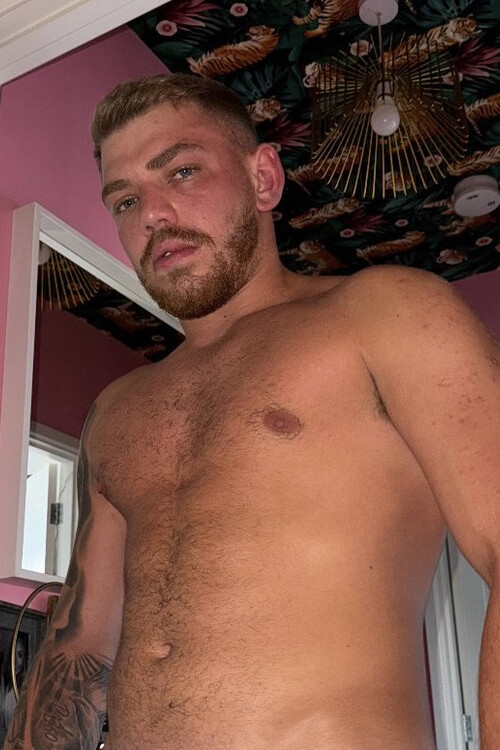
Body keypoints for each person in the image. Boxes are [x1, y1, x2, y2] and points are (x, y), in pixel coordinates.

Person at [4, 72, 500, 750]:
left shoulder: (386, 313)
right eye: (124, 199)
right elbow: (77, 646)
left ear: (263, 178)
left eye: (181, 171)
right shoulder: (117, 409)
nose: (150, 215)